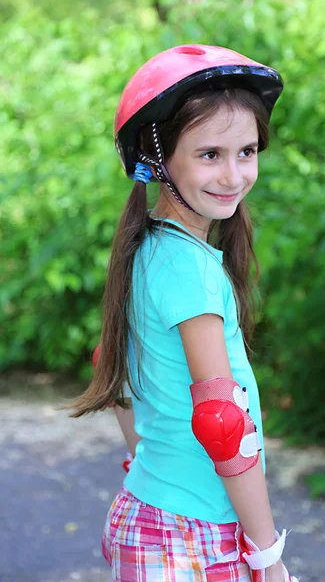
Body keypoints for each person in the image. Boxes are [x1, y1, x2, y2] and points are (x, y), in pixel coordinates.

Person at [67, 44, 299, 582]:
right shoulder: (189, 269)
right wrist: (268, 556)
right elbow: (223, 423)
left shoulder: (148, 247)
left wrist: (145, 469)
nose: (234, 176)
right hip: (189, 535)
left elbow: (114, 364)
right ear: (159, 159)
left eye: (247, 151)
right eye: (210, 155)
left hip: (153, 514)